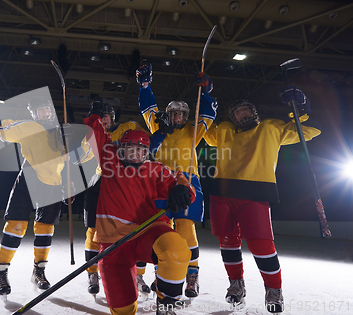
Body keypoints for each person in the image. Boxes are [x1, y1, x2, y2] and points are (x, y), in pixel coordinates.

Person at [203, 86, 321, 313]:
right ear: (233, 117)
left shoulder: (269, 128)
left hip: (255, 193)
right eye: (237, 112)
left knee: (261, 245)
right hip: (222, 193)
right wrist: (206, 103)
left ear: (254, 112)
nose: (242, 114)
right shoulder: (224, 130)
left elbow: (309, 130)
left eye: (246, 110)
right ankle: (236, 285)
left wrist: (302, 107)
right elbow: (203, 134)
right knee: (227, 244)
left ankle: (273, 290)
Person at [84, 112, 197, 315]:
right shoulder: (109, 161)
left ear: (146, 152)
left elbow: (181, 184)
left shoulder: (155, 169)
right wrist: (96, 115)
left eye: (141, 149)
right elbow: (95, 131)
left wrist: (183, 189)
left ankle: (167, 305)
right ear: (121, 150)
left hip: (149, 231)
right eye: (130, 149)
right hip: (113, 242)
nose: (136, 154)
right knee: (123, 309)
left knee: (177, 249)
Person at [0, 88, 85, 297]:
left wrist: (70, 180)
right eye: (40, 111)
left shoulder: (63, 131)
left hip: (53, 184)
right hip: (29, 178)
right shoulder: (29, 127)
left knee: (45, 229)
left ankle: (39, 271)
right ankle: (0, 271)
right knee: (16, 226)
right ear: (34, 114)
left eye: (47, 110)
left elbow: (75, 160)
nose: (45, 114)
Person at [137, 64, 217, 298]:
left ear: (187, 115)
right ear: (169, 114)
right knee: (159, 228)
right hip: (160, 182)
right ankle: (160, 272)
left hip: (188, 182)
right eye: (174, 113)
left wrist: (208, 90)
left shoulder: (194, 130)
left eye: (182, 114)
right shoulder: (158, 127)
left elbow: (209, 113)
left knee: (185, 227)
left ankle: (192, 275)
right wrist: (145, 86)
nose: (178, 117)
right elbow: (147, 106)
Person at [83, 98, 153, 296]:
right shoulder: (95, 132)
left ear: (112, 118)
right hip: (99, 182)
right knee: (93, 230)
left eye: (106, 116)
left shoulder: (128, 128)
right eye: (101, 117)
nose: (104, 120)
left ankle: (138, 274)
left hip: (123, 183)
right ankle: (92, 272)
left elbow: (145, 144)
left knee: (136, 229)